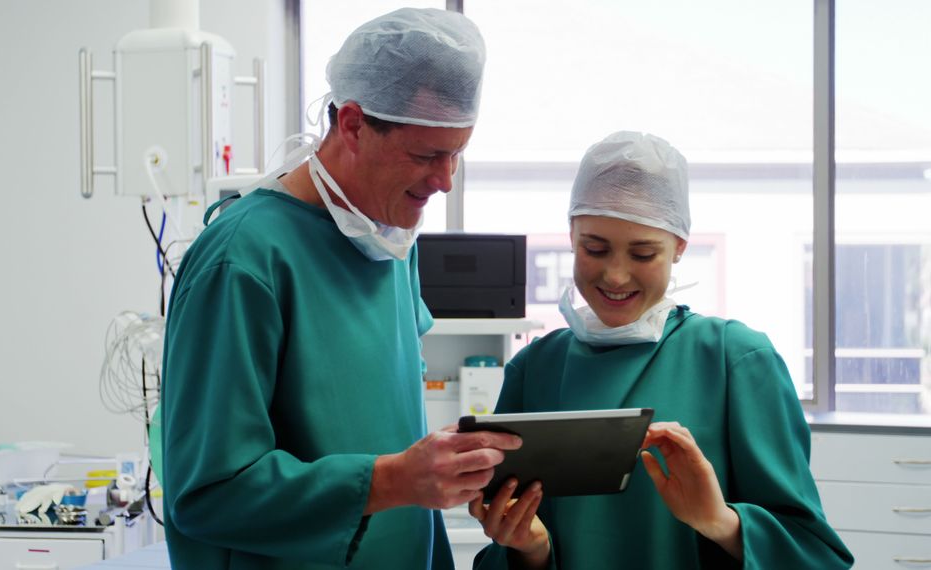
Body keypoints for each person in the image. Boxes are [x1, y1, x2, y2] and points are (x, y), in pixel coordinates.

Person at [159, 8, 521, 570]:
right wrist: (393, 480)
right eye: (426, 155)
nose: (445, 181)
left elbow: (386, 422)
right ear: (351, 124)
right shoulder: (243, 260)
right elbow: (207, 494)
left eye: (457, 154)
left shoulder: (389, 238)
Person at [468, 131, 854, 569]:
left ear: (679, 249)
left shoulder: (736, 360)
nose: (615, 275)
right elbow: (504, 545)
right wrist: (530, 550)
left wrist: (721, 523)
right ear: (571, 236)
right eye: (595, 248)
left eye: (644, 253)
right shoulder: (535, 367)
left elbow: (814, 554)